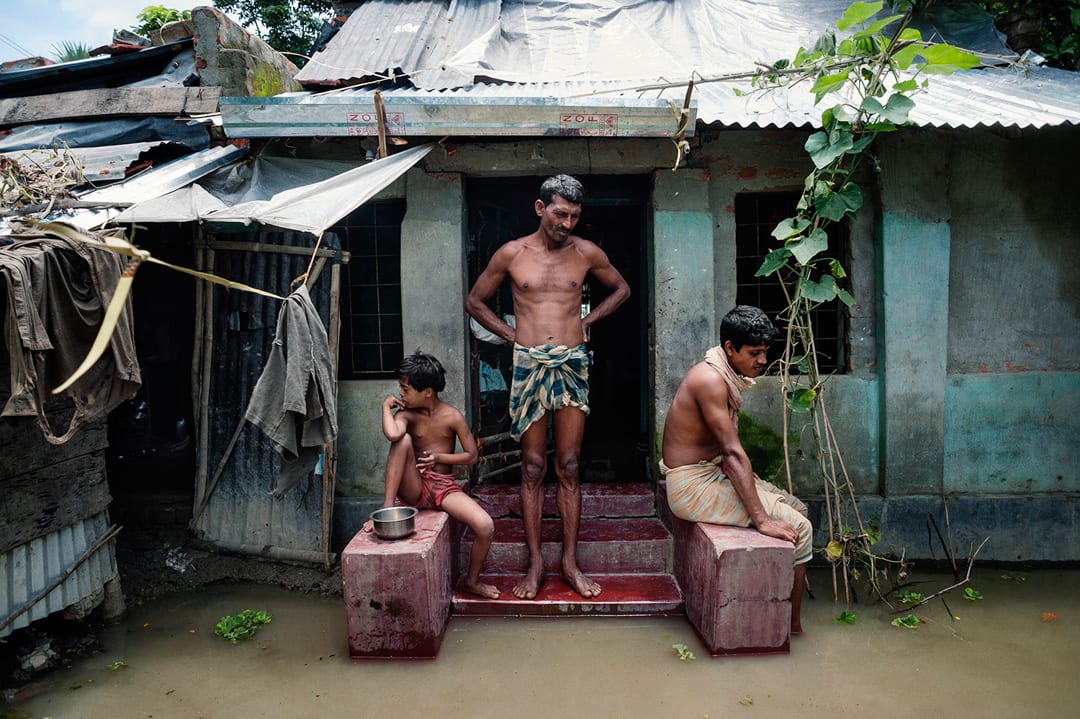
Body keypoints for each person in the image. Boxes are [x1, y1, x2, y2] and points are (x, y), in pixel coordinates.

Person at [465, 174, 630, 600]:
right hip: (529, 364)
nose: (567, 223)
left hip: (573, 364)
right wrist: (511, 334)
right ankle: (536, 561)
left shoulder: (586, 253)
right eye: (560, 214)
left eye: (574, 216)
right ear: (541, 209)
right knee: (534, 466)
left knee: (570, 465)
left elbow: (622, 289)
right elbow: (475, 301)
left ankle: (570, 562)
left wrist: (587, 323)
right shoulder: (511, 254)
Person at [659, 305, 812, 633]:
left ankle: (784, 610)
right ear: (730, 348)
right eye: (754, 352)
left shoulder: (720, 371)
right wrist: (762, 520)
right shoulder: (710, 380)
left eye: (765, 352)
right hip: (692, 488)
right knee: (801, 529)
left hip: (709, 473)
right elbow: (732, 453)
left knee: (797, 507)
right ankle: (792, 630)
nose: (762, 360)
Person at [363, 351, 499, 599]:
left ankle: (471, 581)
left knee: (485, 526)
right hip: (414, 486)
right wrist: (385, 406)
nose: (401, 394)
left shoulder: (452, 416)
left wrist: (440, 459)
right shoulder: (405, 414)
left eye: (406, 389)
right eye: (400, 388)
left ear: (427, 391)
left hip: (443, 488)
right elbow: (393, 434)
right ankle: (385, 511)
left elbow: (470, 455)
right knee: (402, 441)